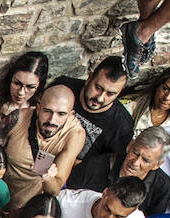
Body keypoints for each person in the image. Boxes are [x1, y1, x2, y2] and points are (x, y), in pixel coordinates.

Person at [0, 85, 84, 210]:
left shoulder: (74, 135)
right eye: (47, 111)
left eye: (61, 114)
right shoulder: (18, 118)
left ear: (70, 115)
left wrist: (48, 177)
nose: (52, 120)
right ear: (38, 109)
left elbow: (54, 190)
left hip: (26, 208)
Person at [56, 56, 135, 191]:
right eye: (98, 87)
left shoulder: (122, 125)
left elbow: (107, 167)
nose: (100, 97)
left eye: (110, 93)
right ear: (89, 77)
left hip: (76, 181)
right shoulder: (64, 87)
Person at [90, 127, 170, 218]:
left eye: (145, 160)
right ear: (130, 146)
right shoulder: (98, 165)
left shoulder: (162, 186)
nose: (135, 163)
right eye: (135, 153)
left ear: (157, 165)